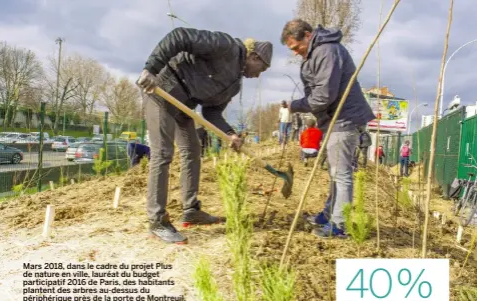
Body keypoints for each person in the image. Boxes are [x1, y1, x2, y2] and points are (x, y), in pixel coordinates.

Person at [136, 27, 273, 244]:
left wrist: (230, 134)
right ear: (254, 56)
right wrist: (151, 69)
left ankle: (191, 210)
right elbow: (179, 36)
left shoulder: (234, 85)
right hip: (161, 90)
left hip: (184, 105)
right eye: (261, 68)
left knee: (192, 151)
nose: (257, 75)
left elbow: (212, 111)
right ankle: (157, 221)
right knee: (163, 152)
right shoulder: (225, 45)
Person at [280, 19, 376, 238]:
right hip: (334, 119)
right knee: (334, 173)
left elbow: (324, 95)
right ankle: (328, 213)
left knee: (341, 174)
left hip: (344, 118)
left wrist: (295, 105)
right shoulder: (318, 51)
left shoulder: (326, 51)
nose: (295, 53)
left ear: (307, 35)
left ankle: (340, 226)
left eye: (296, 47)